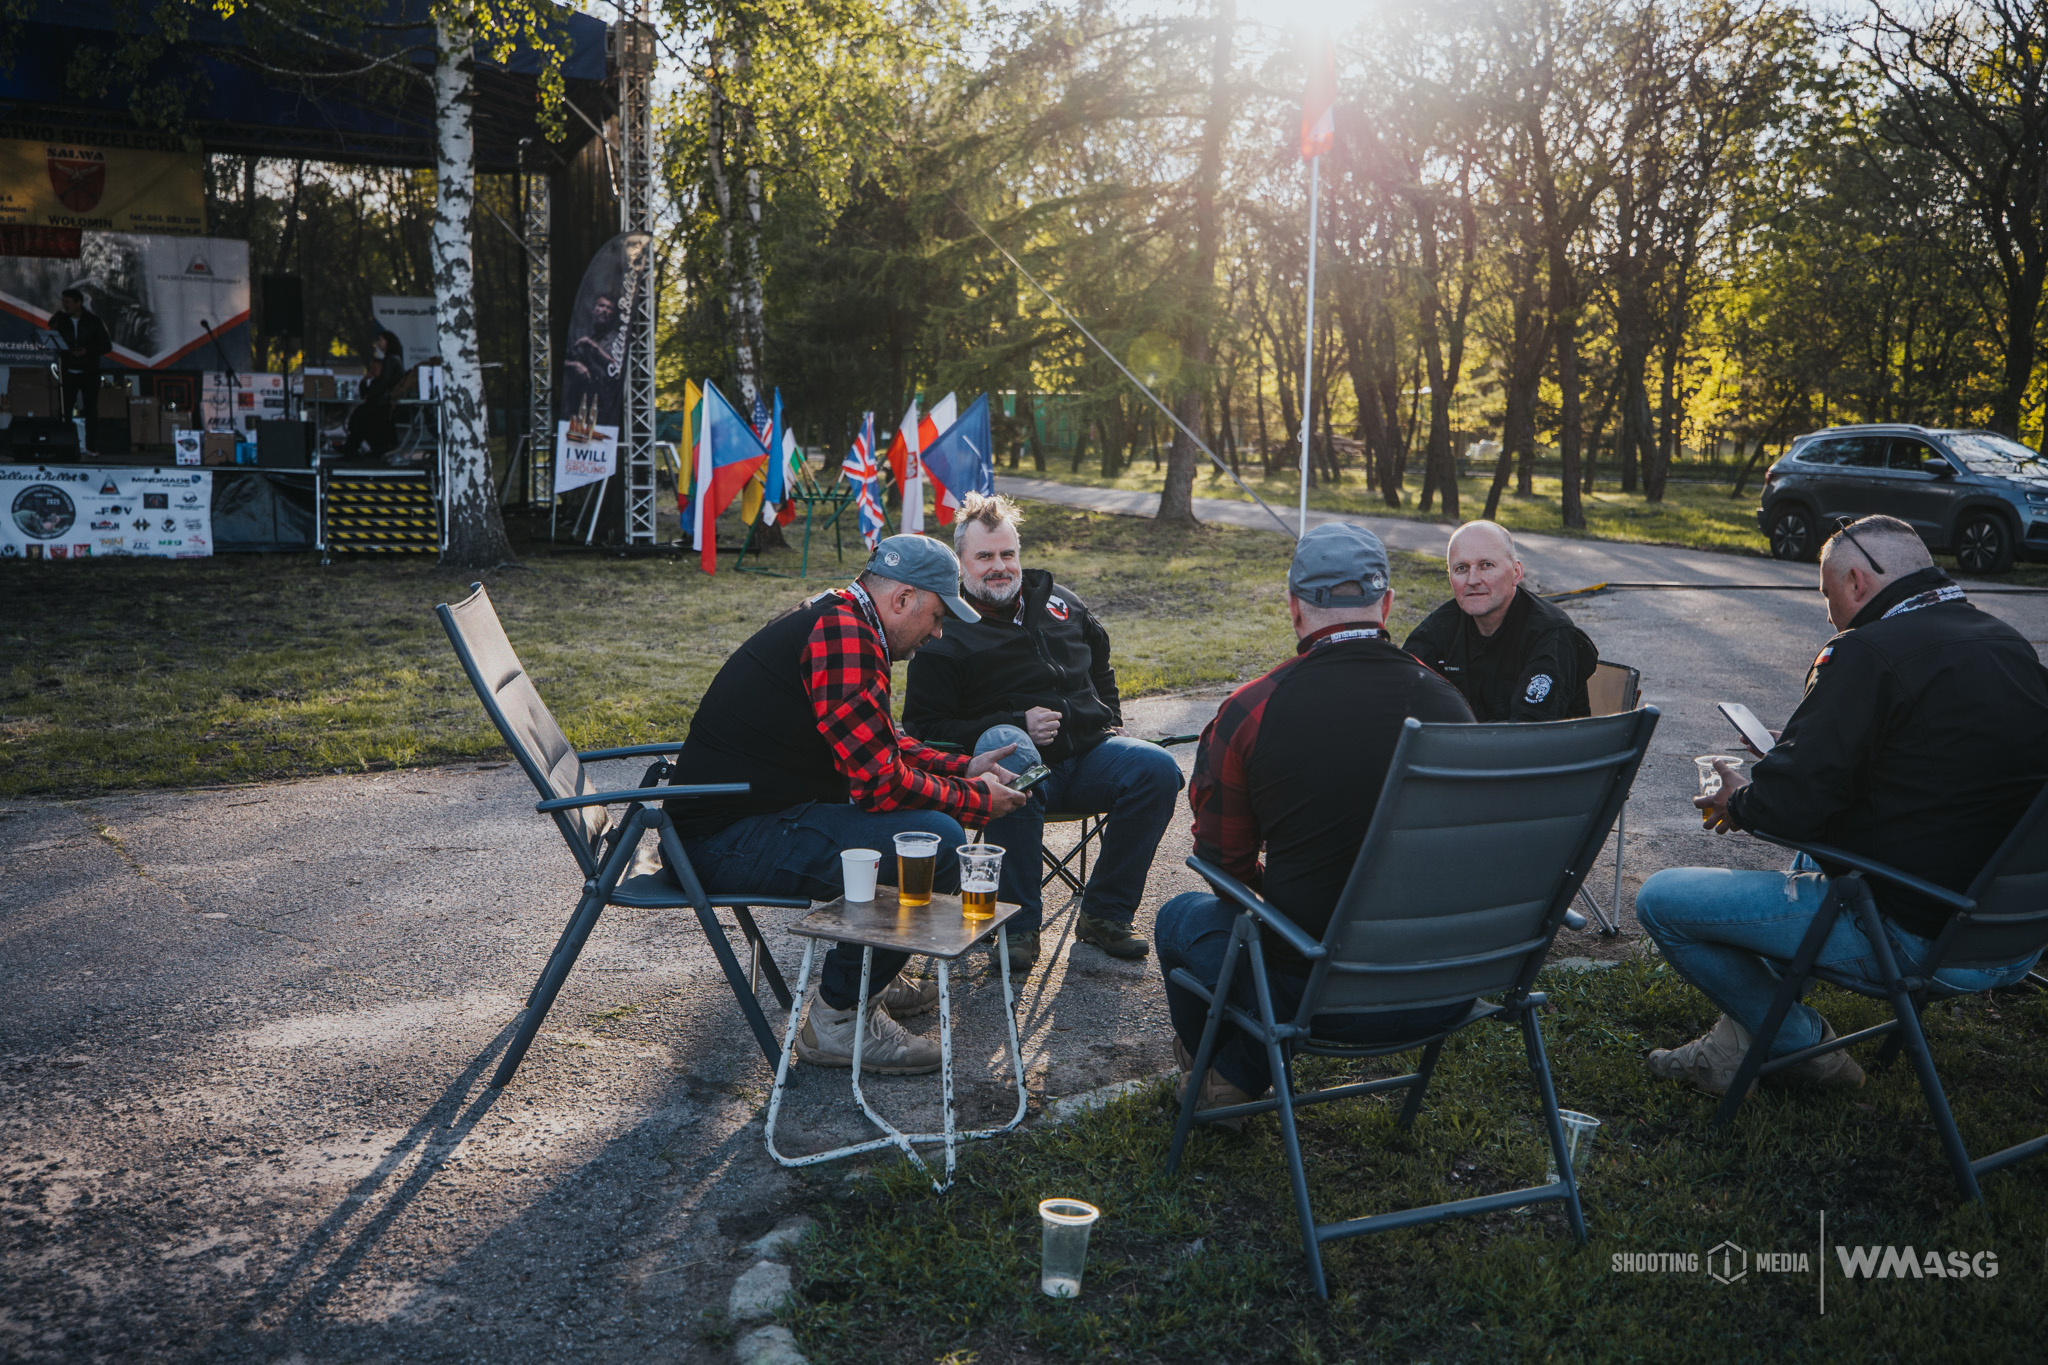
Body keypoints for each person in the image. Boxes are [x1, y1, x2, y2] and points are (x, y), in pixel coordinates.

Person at [1638, 514, 2048, 1095]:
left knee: (1661, 901)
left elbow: (1788, 809)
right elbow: (1942, 766)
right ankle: (1729, 1051)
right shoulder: (2004, 642)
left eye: (1828, 597)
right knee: (1818, 857)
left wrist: (1740, 798)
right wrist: (1808, 755)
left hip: (1919, 938)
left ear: (1857, 582)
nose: (1829, 615)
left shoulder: (1865, 652)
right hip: (2013, 933)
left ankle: (1802, 1045)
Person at [664, 535, 1030, 1074]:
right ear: (902, 599)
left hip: (744, 822)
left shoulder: (843, 616)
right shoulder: (846, 634)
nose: (937, 632)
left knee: (926, 829)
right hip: (719, 843)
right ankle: (839, 1018)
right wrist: (975, 801)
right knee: (936, 843)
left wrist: (961, 769)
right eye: (935, 615)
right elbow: (879, 784)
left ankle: (870, 979)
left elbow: (875, 741)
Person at [1157, 523, 1477, 1119]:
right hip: (1448, 986)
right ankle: (1236, 1070)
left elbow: (1222, 863)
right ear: (1385, 605)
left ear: (1295, 610)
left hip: (1316, 996)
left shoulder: (1251, 709)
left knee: (1180, 919)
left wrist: (1279, 884)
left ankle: (1227, 1072)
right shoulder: (1448, 704)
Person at [903, 493, 1184, 968]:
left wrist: (1108, 716)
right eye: (985, 556)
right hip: (1013, 773)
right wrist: (1015, 723)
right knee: (1005, 749)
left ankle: (1105, 916)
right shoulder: (944, 631)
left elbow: (1101, 661)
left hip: (1088, 756)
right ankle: (1015, 927)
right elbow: (925, 728)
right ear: (962, 563)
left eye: (1007, 554)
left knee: (1155, 768)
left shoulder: (1060, 602)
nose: (1000, 567)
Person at [1403, 519, 1598, 721]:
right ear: (1450, 576)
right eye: (1461, 568)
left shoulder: (1550, 634)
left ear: (1516, 573)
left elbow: (1530, 730)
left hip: (1548, 750)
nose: (1472, 580)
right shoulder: (1439, 627)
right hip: (1465, 747)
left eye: (1486, 565)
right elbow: (1401, 694)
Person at [48, 288, 112, 453]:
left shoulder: (93, 321)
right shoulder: (62, 320)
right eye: (63, 301)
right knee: (65, 409)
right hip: (68, 370)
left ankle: (91, 446)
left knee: (90, 409)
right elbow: (52, 335)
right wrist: (56, 322)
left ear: (78, 303)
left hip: (89, 370)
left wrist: (86, 351)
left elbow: (106, 346)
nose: (65, 305)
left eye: (68, 302)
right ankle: (66, 444)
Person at [343, 330, 405, 460]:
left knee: (361, 417)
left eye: (381, 340)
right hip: (382, 402)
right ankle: (353, 448)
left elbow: (385, 382)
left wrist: (371, 395)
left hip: (384, 403)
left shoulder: (391, 359)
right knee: (361, 417)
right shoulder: (393, 359)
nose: (378, 343)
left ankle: (352, 448)